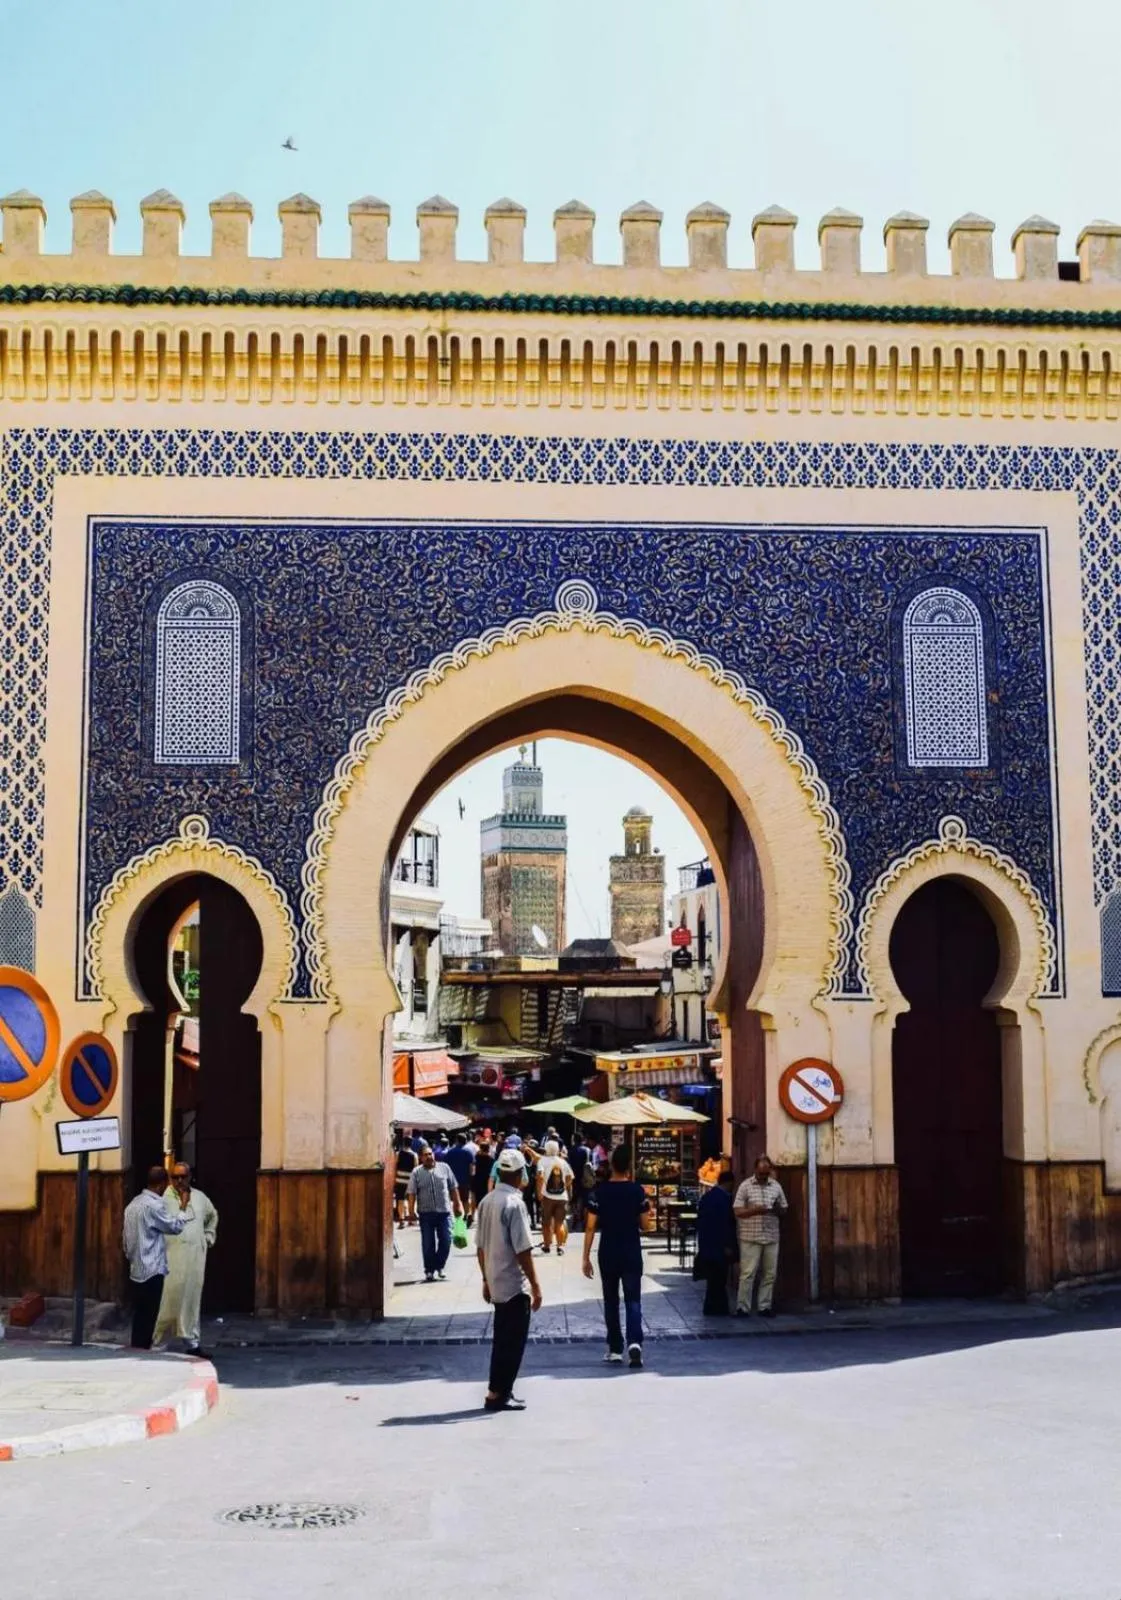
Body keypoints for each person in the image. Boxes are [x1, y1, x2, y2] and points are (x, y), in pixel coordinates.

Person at [475, 1147, 543, 1412]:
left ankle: (497, 1390)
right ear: (518, 1174)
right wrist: (535, 1285)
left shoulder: (486, 1201)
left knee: (502, 1338)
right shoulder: (514, 1204)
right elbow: (523, 1248)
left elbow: (480, 1248)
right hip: (514, 1283)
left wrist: (485, 1279)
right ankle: (500, 1392)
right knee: (512, 1342)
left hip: (495, 1278)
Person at [582, 1144, 649, 1368]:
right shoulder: (637, 1191)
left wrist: (585, 1257)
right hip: (631, 1250)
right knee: (633, 1299)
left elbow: (590, 1227)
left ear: (611, 1166)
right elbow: (645, 1225)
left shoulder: (599, 1192)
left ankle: (614, 1347)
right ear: (629, 1166)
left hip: (608, 1250)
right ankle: (635, 1342)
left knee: (611, 1300)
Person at [122, 1165, 195, 1350]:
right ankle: (143, 1351)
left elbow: (125, 1240)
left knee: (139, 1316)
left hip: (136, 1269)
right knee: (149, 1316)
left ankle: (137, 1349)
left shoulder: (133, 1205)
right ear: (162, 1184)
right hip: (152, 1269)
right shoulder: (154, 1206)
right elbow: (175, 1227)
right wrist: (183, 1205)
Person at [154, 1163, 218, 1354]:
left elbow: (212, 1216)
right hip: (170, 1260)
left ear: (190, 1177)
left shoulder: (199, 1198)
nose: (179, 1181)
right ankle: (157, 1342)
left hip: (194, 1260)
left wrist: (207, 1237)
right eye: (175, 1177)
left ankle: (192, 1343)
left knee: (191, 1300)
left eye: (183, 1177)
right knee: (167, 1300)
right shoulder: (162, 1200)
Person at [733, 1154, 789, 1317]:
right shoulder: (745, 1186)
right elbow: (737, 1210)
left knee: (770, 1274)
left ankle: (765, 1306)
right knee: (748, 1273)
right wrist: (754, 1210)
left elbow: (784, 1209)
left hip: (771, 1235)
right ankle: (743, 1307)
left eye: (766, 1173)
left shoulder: (776, 1187)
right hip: (750, 1235)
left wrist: (776, 1209)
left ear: (770, 1171)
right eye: (760, 1173)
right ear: (755, 1170)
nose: (763, 1176)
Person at [406, 1143, 464, 1280]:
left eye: (430, 1154)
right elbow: (412, 1193)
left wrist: (458, 1204)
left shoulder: (445, 1168)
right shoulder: (416, 1172)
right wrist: (411, 1212)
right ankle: (429, 1270)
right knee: (428, 1244)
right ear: (420, 1157)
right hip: (426, 1213)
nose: (429, 1157)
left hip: (444, 1212)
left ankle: (439, 1265)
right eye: (425, 1155)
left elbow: (453, 1187)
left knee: (446, 1240)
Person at [694, 1169, 737, 1316]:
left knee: (713, 1279)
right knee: (719, 1279)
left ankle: (712, 1307)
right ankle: (718, 1308)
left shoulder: (707, 1197)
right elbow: (725, 1225)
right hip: (719, 1246)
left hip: (707, 1244)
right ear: (729, 1183)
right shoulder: (724, 1199)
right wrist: (728, 1245)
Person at [536, 1139, 574, 1254]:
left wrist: (539, 1192)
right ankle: (560, 1246)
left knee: (546, 1222)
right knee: (560, 1222)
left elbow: (540, 1177)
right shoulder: (563, 1162)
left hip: (547, 1196)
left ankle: (547, 1245)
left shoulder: (542, 1161)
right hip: (562, 1197)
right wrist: (565, 1187)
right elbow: (570, 1177)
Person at [444, 1131, 476, 1219]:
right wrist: (471, 1179)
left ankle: (457, 1218)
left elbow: (445, 1167)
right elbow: (472, 1168)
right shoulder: (468, 1152)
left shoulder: (450, 1152)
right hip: (465, 1180)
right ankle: (466, 1215)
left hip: (452, 1182)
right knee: (465, 1199)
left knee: (455, 1200)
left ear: (456, 1140)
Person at [394, 1135, 418, 1226]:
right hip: (410, 1180)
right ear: (411, 1144)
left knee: (400, 1200)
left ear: (403, 1143)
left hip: (400, 1180)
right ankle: (411, 1218)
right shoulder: (414, 1155)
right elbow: (416, 1169)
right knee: (410, 1200)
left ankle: (401, 1219)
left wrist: (394, 1179)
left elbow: (395, 1167)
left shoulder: (398, 1154)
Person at [568, 1134, 591, 1228]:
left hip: (574, 1177)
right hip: (585, 1177)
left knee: (574, 1199)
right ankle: (584, 1222)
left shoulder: (571, 1150)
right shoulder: (587, 1150)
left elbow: (569, 1163)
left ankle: (575, 1219)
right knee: (585, 1200)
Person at [472, 1138, 496, 1213]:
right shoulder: (491, 1159)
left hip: (477, 1182)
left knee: (478, 1201)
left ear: (480, 1148)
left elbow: (473, 1170)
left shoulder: (476, 1158)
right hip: (487, 1182)